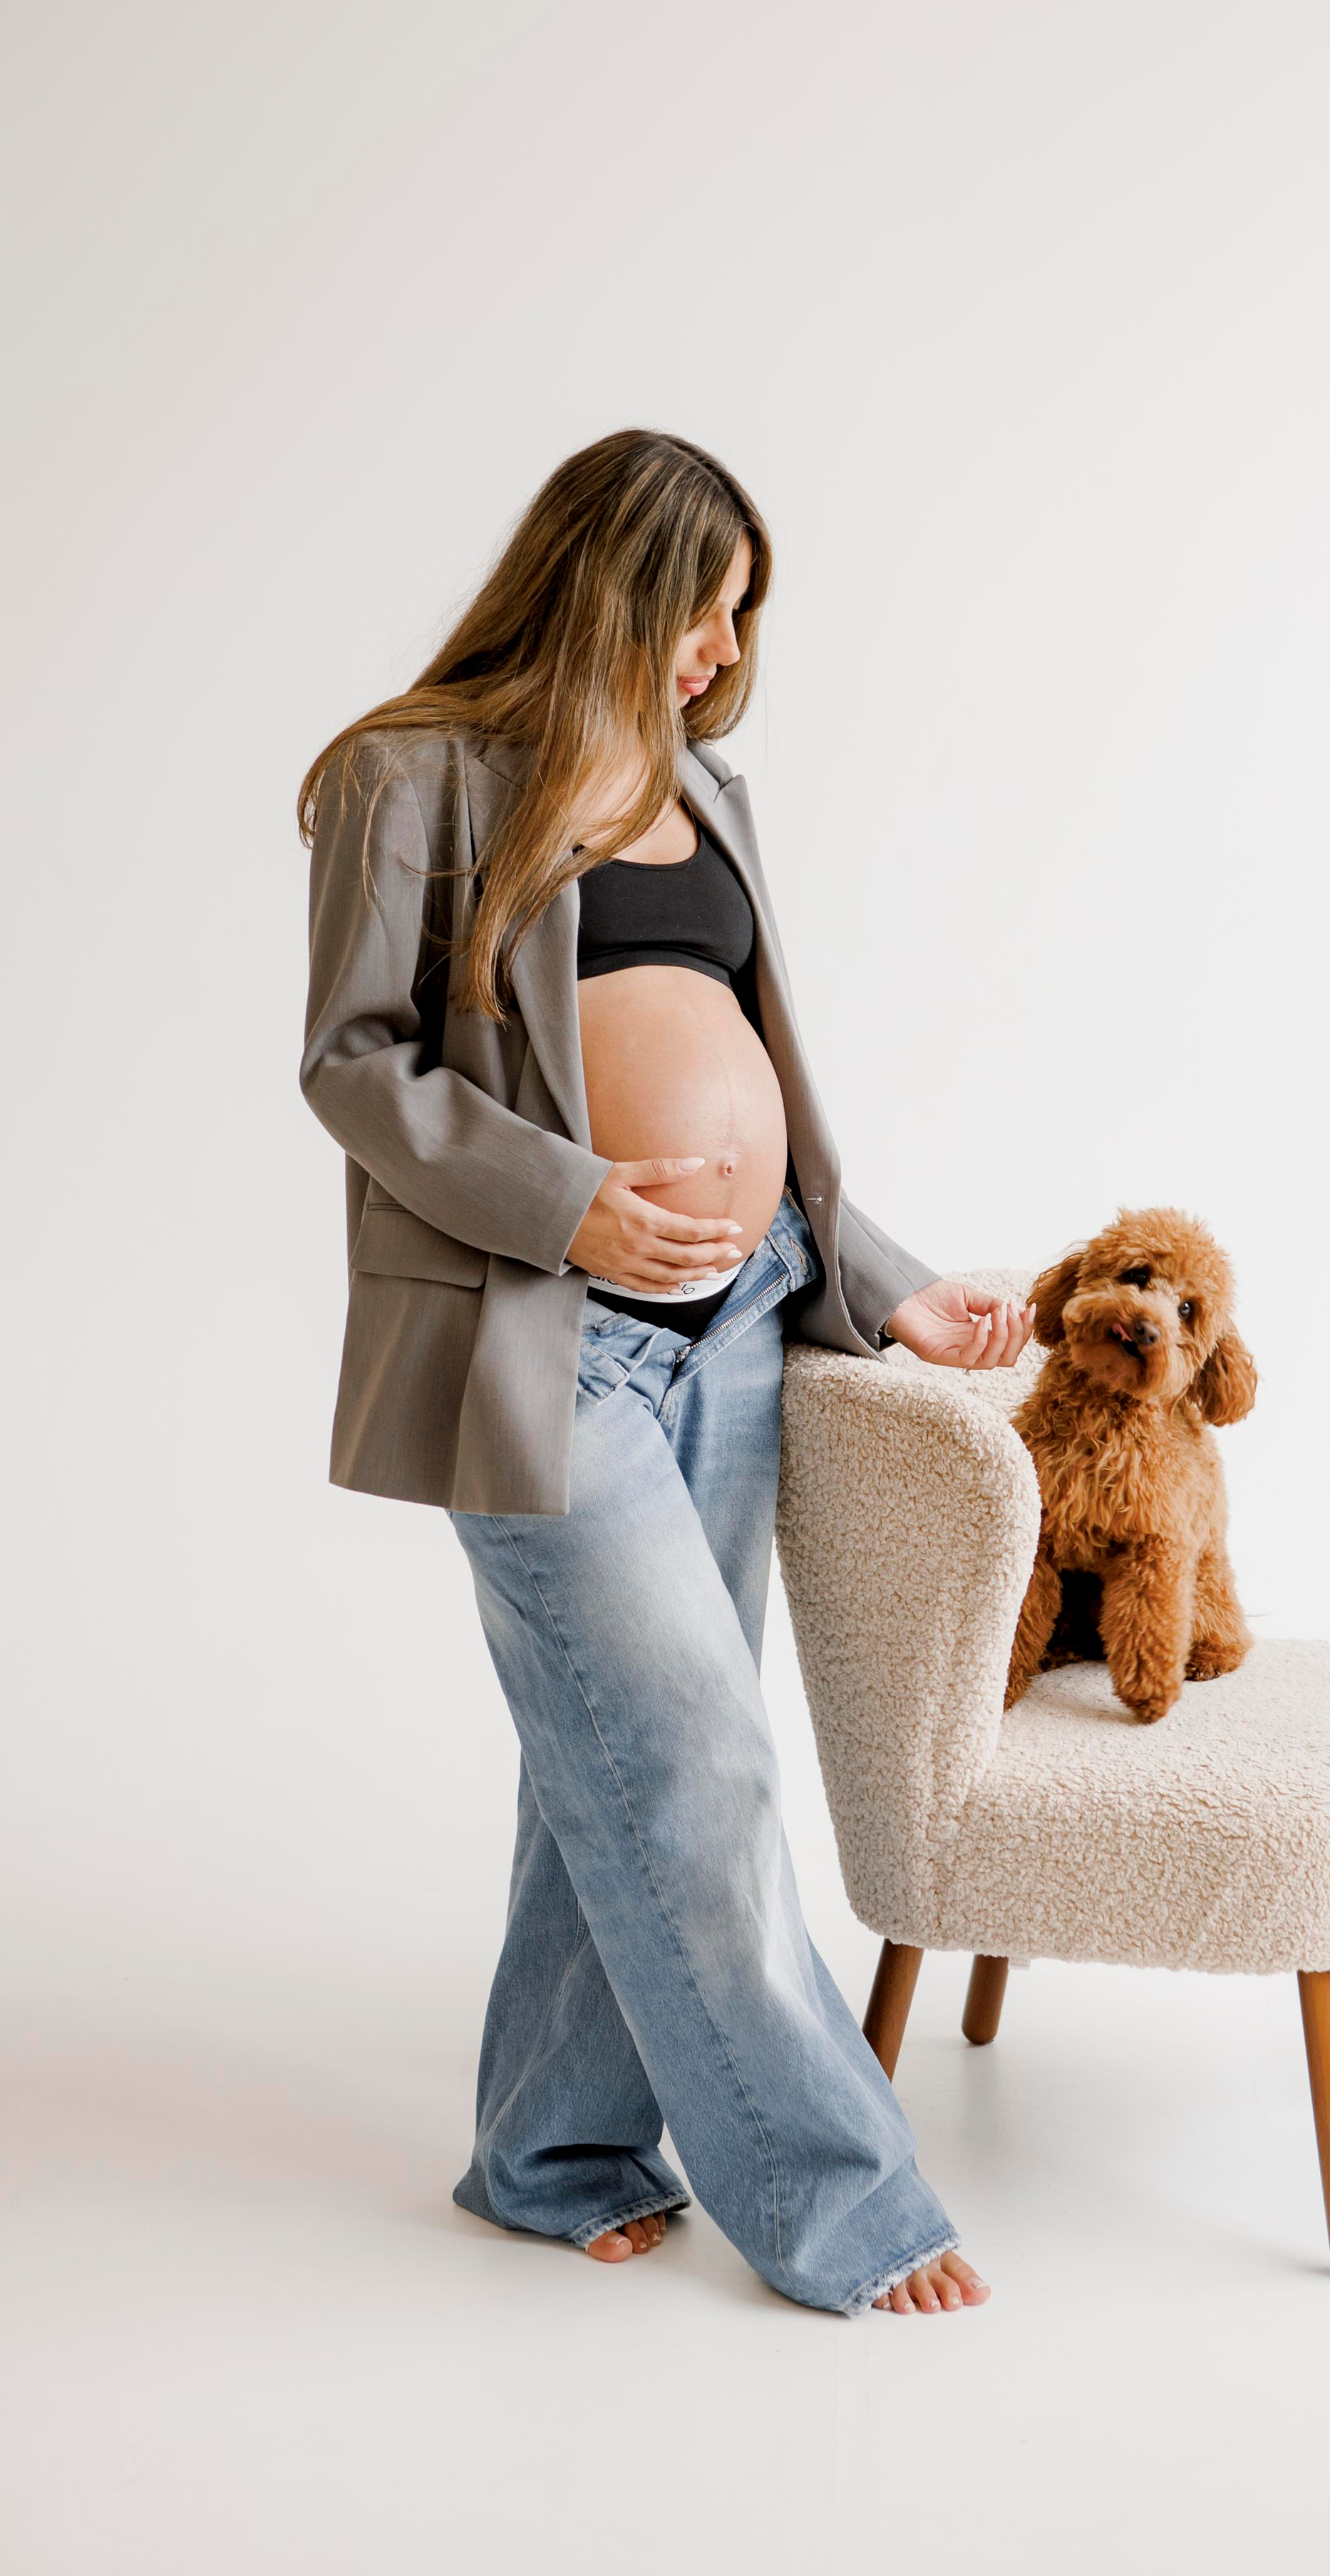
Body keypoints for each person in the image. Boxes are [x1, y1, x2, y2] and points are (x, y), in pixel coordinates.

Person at [298, 428, 1033, 2318]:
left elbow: (765, 1070)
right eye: (703, 606)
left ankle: (547, 2156)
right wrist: (573, 1211)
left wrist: (885, 1279)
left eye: (738, 621)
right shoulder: (418, 778)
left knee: (607, 1767)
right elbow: (360, 1064)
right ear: (609, 581)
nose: (719, 651)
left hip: (742, 1328)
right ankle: (843, 2203)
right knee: (697, 1759)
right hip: (547, 1345)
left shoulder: (715, 797)